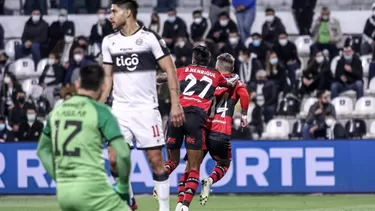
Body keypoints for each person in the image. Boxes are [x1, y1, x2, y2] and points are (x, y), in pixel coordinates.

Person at [101, 1, 185, 211]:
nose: (110, 16)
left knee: (156, 160)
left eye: (114, 12)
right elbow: (107, 80)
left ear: (127, 12)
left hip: (146, 110)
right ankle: (130, 203)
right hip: (119, 111)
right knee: (113, 161)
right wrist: (97, 108)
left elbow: (171, 70)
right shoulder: (109, 42)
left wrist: (176, 104)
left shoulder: (150, 39)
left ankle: (164, 209)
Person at [37, 64, 131, 211]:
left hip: (64, 193)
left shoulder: (56, 112)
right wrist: (123, 187)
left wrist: (59, 178)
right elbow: (123, 154)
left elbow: (42, 150)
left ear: (77, 84)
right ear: (103, 86)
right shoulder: (101, 111)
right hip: (93, 189)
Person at [160, 46, 239, 211]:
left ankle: (159, 182)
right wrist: (236, 77)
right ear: (209, 61)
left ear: (193, 59)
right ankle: (184, 206)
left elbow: (162, 78)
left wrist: (159, 77)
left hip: (177, 114)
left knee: (172, 161)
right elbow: (230, 83)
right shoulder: (216, 75)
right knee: (194, 168)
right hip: (196, 118)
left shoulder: (182, 70)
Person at [199, 53, 250, 206]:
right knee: (224, 163)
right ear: (232, 68)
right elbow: (245, 94)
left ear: (217, 66)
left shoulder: (209, 79)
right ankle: (209, 180)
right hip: (221, 131)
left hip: (203, 129)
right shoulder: (235, 82)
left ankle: (179, 197)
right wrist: (244, 115)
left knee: (194, 166)